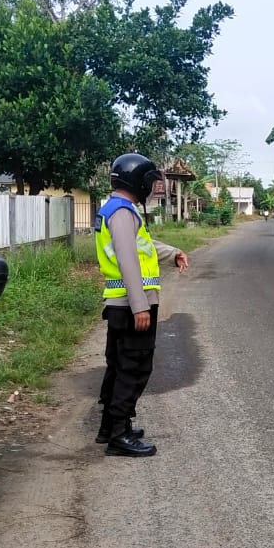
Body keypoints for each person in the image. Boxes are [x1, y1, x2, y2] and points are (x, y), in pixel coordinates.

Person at [94, 153, 189, 457]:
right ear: (137, 181)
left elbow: (142, 246)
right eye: (149, 181)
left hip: (121, 303)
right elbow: (128, 260)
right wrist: (139, 306)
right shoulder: (122, 212)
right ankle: (119, 434)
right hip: (131, 303)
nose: (150, 187)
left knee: (120, 365)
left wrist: (172, 253)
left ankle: (111, 425)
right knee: (134, 368)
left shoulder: (118, 210)